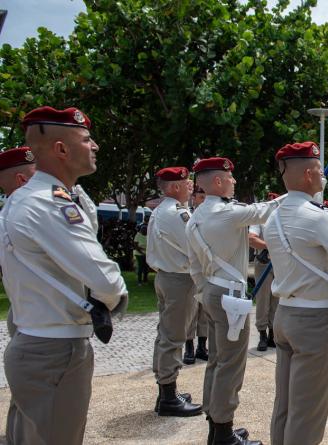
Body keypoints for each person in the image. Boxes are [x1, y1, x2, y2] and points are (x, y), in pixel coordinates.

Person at [1, 106, 128, 444]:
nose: (95, 146)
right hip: (55, 352)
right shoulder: (49, 203)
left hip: (37, 342)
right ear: (61, 149)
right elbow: (107, 282)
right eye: (86, 139)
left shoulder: (31, 198)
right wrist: (113, 298)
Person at [263, 142, 328, 445]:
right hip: (314, 320)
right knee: (307, 412)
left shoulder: (273, 217)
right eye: (320, 171)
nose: (323, 176)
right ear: (309, 174)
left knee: (284, 406)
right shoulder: (318, 217)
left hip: (284, 314)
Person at [186, 156, 279, 445]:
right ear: (217, 182)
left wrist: (204, 292)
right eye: (229, 177)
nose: (234, 181)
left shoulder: (196, 216)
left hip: (213, 291)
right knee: (231, 364)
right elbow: (266, 210)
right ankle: (223, 431)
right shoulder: (225, 212)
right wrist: (301, 193)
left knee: (217, 360)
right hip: (230, 296)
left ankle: (216, 425)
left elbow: (194, 267)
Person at [145, 166, 203, 417]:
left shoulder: (162, 210)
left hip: (166, 277)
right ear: (175, 187)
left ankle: (166, 390)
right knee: (173, 337)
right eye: (187, 181)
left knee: (166, 334)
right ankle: (168, 396)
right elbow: (196, 245)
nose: (191, 185)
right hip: (179, 280)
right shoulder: (177, 214)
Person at [0, 146, 36, 337]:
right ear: (22, 180)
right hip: (40, 317)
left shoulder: (8, 215)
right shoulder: (27, 216)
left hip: (23, 310)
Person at [249, 191, 281, 351]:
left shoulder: (282, 220)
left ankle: (272, 334)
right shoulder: (259, 220)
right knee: (263, 299)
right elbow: (251, 238)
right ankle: (262, 333)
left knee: (277, 298)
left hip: (278, 262)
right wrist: (269, 246)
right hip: (263, 262)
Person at [185, 185, 209, 363]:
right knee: (191, 311)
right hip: (192, 271)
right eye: (201, 197)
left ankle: (202, 346)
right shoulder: (188, 217)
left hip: (207, 270)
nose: (204, 201)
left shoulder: (211, 218)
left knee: (205, 312)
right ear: (194, 198)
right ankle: (189, 348)